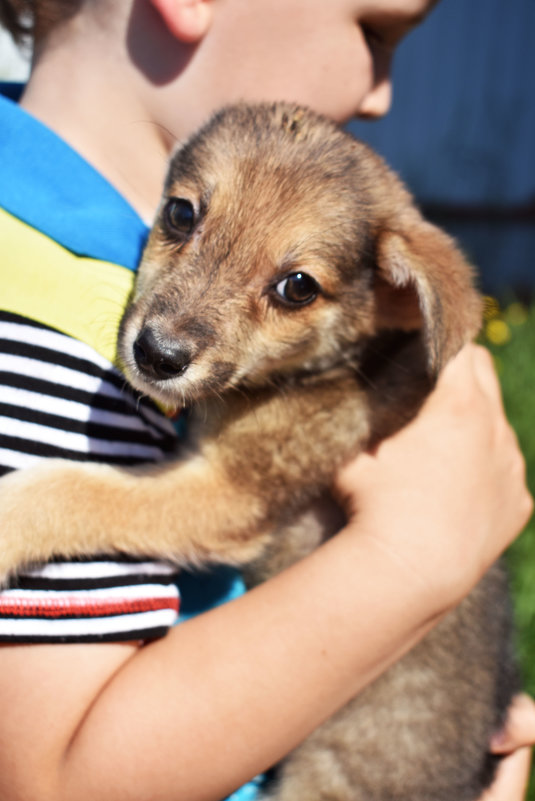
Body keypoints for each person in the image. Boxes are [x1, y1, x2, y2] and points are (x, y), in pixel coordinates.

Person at [0, 1, 533, 800]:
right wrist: (417, 553)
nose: (384, 95)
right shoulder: (59, 316)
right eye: (372, 32)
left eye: (290, 288)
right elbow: (52, 780)